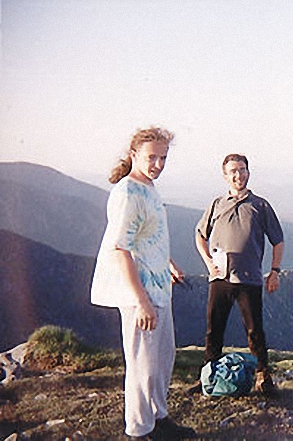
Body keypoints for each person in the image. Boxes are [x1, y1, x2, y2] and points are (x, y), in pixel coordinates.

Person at [91, 127, 195, 440]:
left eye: (163, 158)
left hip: (159, 283)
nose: (158, 164)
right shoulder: (127, 192)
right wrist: (142, 301)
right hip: (142, 292)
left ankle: (159, 418)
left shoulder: (147, 186)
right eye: (152, 157)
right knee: (142, 364)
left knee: (162, 358)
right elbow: (120, 249)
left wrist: (169, 263)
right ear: (134, 154)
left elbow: (146, 239)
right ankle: (139, 430)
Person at [195, 153, 284, 397]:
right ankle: (208, 378)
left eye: (242, 170)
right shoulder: (216, 204)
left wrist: (274, 272)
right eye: (233, 171)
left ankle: (263, 377)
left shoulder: (260, 205)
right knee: (214, 329)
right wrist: (208, 262)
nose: (238, 175)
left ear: (248, 172)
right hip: (220, 277)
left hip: (249, 278)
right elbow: (200, 235)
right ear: (225, 176)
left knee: (255, 330)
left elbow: (278, 241)